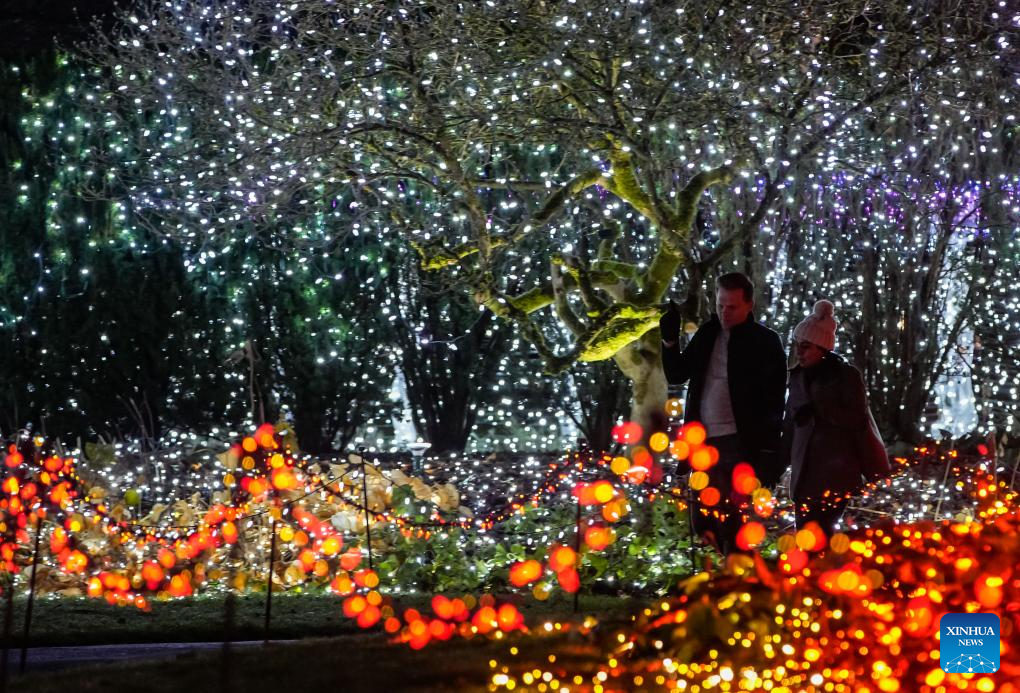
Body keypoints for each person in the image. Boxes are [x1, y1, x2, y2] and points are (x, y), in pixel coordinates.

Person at [660, 272, 787, 553]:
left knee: (733, 520)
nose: (724, 312)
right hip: (702, 440)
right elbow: (678, 374)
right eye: (720, 305)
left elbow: (774, 401)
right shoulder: (708, 333)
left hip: (739, 444)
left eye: (732, 306)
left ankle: (736, 579)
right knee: (702, 520)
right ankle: (722, 579)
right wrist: (670, 341)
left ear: (749, 305)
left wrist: (768, 452)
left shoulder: (765, 342)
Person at [781, 300, 891, 536]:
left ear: (822, 348)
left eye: (806, 346)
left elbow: (855, 419)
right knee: (807, 536)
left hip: (835, 475)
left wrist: (819, 405)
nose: (799, 351)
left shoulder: (845, 376)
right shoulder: (798, 378)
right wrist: (777, 462)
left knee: (821, 537)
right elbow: (790, 425)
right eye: (797, 345)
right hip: (804, 477)